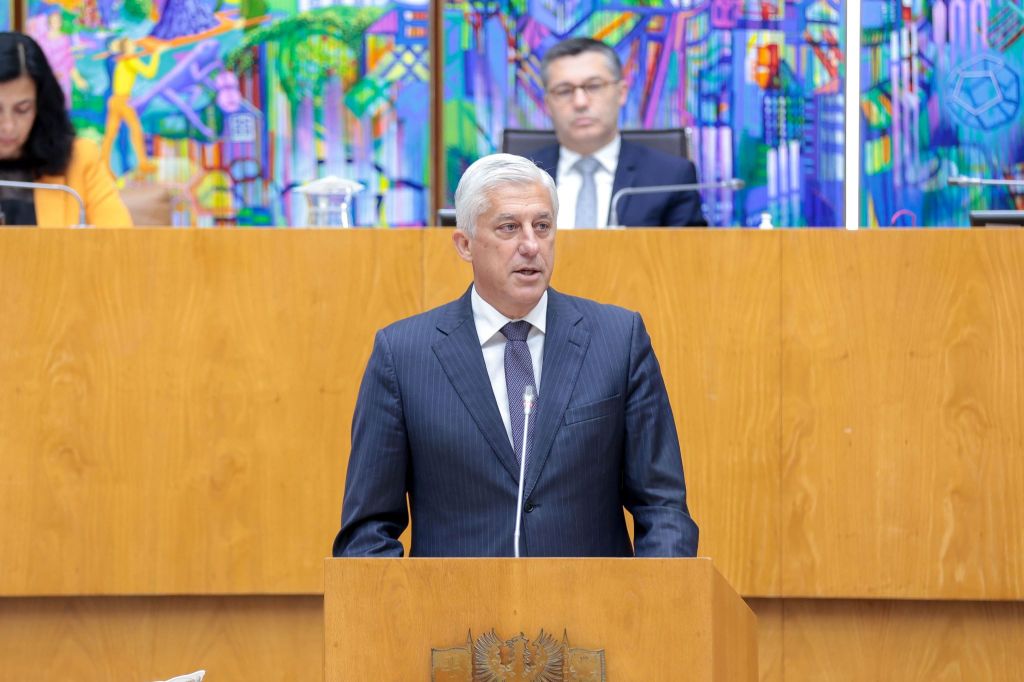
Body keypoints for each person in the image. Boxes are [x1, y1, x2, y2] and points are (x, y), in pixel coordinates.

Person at [333, 153, 698, 558]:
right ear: (465, 244)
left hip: (592, 598)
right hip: (457, 600)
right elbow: (367, 532)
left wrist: (659, 595)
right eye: (509, 227)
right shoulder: (403, 355)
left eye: (542, 226)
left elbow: (663, 508)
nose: (530, 245)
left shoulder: (617, 339)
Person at [527, 37, 707, 228]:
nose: (580, 102)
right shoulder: (519, 177)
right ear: (548, 104)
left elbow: (689, 247)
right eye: (564, 90)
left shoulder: (671, 177)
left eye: (594, 86)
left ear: (621, 93)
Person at [0, 32, 132, 227]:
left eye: (22, 109)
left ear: (41, 105)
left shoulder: (81, 159)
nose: (8, 126)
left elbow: (119, 240)